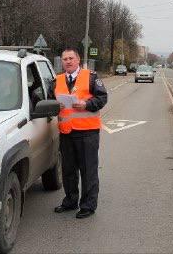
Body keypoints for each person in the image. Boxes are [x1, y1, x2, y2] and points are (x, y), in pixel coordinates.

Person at [53, 48, 107, 219]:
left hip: (87, 132)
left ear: (78, 60)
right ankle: (70, 201)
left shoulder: (91, 77)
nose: (68, 61)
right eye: (65, 59)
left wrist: (86, 104)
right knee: (68, 170)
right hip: (66, 132)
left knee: (88, 170)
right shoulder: (57, 80)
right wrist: (56, 105)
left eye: (71, 58)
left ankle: (88, 205)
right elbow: (48, 100)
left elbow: (102, 98)